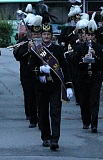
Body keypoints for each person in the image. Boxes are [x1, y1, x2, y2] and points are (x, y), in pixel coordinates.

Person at [28, 21, 73, 151]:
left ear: (52, 36)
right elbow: (30, 69)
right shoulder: (36, 50)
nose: (46, 36)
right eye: (44, 34)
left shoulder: (58, 50)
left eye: (48, 34)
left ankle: (55, 139)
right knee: (42, 113)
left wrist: (69, 86)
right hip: (41, 86)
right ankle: (46, 137)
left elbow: (65, 68)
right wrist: (40, 70)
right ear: (41, 36)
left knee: (55, 112)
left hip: (55, 86)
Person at [72, 12, 103, 133]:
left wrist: (95, 56)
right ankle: (86, 120)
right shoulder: (79, 48)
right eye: (88, 35)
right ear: (85, 36)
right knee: (84, 101)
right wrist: (83, 59)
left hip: (95, 77)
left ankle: (94, 124)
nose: (90, 38)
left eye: (92, 35)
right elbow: (74, 63)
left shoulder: (99, 47)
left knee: (94, 100)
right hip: (83, 77)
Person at [13, 15, 42, 128]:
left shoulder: (43, 42)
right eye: (34, 34)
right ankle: (32, 118)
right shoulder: (23, 42)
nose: (35, 36)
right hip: (27, 73)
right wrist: (29, 49)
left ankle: (40, 117)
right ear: (30, 33)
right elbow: (19, 56)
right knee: (29, 96)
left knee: (40, 97)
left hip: (40, 73)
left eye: (37, 34)